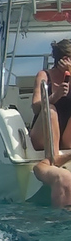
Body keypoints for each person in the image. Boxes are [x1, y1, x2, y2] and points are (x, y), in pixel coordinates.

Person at [29, 39, 71, 167]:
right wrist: (55, 96)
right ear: (65, 59)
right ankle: (54, 158)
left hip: (66, 137)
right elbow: (36, 107)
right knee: (51, 109)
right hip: (44, 134)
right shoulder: (44, 75)